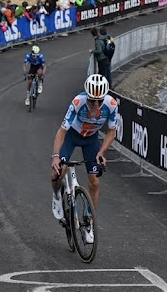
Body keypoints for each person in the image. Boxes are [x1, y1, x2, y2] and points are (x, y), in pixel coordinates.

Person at [51, 74, 120, 245]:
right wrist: (55, 156)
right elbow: (62, 131)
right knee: (59, 170)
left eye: (99, 101)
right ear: (86, 96)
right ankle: (57, 195)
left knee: (95, 183)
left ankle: (89, 222)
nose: (95, 105)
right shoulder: (77, 102)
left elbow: (112, 131)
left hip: (91, 140)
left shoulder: (111, 105)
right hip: (73, 136)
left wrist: (101, 152)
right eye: (91, 101)